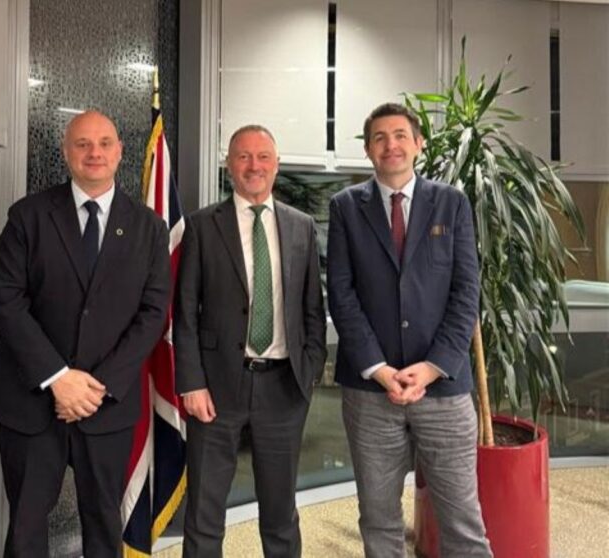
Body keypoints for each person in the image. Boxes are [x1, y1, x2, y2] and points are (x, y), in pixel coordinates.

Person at [0, 110, 170, 557]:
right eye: (82, 144)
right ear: (66, 152)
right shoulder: (28, 216)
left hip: (107, 405)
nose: (94, 153)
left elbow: (153, 313)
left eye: (104, 143)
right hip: (31, 401)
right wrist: (57, 378)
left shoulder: (149, 227)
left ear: (120, 152)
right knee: (25, 526)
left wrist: (96, 387)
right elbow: (7, 301)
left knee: (104, 524)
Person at [327, 103, 492, 558]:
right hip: (371, 393)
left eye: (400, 135)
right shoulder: (345, 208)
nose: (391, 145)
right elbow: (341, 295)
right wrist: (379, 369)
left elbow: (466, 293)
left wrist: (433, 366)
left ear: (419, 143)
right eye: (379, 137)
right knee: (378, 520)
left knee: (463, 521)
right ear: (367, 150)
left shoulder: (452, 203)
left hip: (443, 388)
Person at [174, 125, 327, 558]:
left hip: (283, 387)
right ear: (229, 165)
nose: (253, 165)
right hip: (216, 388)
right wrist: (191, 382)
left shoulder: (300, 226)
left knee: (281, 513)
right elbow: (185, 311)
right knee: (204, 512)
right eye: (243, 156)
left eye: (263, 157)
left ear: (276, 165)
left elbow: (311, 308)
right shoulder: (203, 225)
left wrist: (309, 372)